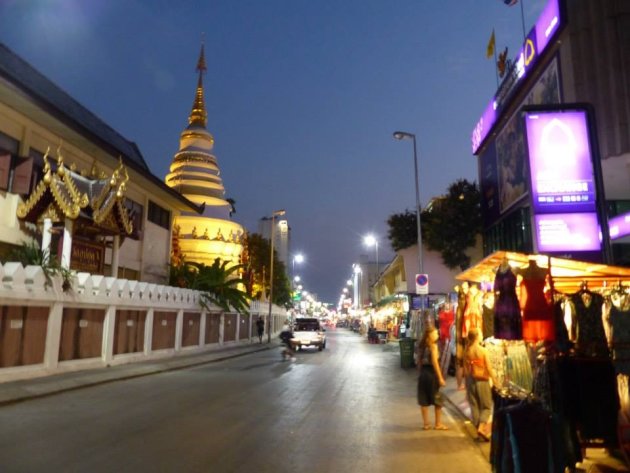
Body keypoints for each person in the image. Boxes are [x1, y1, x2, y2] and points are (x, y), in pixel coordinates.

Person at [463, 327, 497, 441]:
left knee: (474, 406)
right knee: (486, 406)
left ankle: (479, 431)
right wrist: (495, 381)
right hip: (482, 381)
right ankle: (482, 428)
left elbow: (465, 370)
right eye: (481, 333)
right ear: (477, 337)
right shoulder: (483, 351)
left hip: (470, 381)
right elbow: (489, 367)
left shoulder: (467, 351)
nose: (482, 335)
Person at [417, 326, 448, 431]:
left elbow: (418, 361)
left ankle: (426, 424)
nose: (437, 335)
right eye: (435, 333)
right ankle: (438, 424)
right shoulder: (433, 346)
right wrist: (440, 377)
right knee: (437, 398)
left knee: (423, 399)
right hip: (431, 374)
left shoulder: (422, 346)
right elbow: (435, 362)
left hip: (423, 374)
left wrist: (420, 372)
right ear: (430, 335)